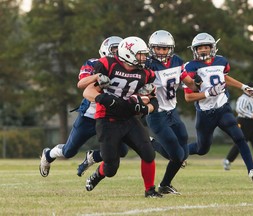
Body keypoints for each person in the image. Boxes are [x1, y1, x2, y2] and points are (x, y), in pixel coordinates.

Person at [82, 36, 162, 198]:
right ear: (128, 53)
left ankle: (150, 190)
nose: (144, 58)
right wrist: (104, 99)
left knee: (148, 153)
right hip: (107, 120)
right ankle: (98, 174)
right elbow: (88, 91)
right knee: (111, 168)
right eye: (140, 54)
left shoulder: (145, 73)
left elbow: (154, 100)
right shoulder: (108, 65)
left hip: (129, 118)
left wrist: (146, 108)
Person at [39, 36, 128, 177]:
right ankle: (48, 154)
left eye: (120, 50)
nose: (118, 53)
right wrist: (96, 76)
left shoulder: (127, 68)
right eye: (115, 50)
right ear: (106, 51)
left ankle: (93, 157)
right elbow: (81, 84)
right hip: (89, 116)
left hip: (109, 117)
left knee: (121, 150)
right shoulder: (94, 63)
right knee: (69, 151)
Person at [184, 32, 253, 184]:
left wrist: (243, 87)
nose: (203, 50)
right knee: (202, 149)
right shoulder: (190, 67)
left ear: (213, 48)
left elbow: (224, 78)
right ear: (194, 50)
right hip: (205, 113)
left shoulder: (221, 61)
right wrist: (208, 93)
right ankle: (179, 154)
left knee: (239, 137)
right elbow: (188, 97)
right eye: (200, 48)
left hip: (222, 109)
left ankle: (251, 171)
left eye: (206, 47)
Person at [145, 30, 198, 194]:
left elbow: (188, 81)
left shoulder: (177, 61)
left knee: (184, 150)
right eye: (158, 48)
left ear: (171, 49)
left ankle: (165, 185)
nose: (161, 52)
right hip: (157, 114)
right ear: (152, 48)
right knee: (177, 155)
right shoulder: (148, 65)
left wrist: (199, 84)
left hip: (172, 111)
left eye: (164, 49)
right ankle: (151, 143)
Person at [223, 82, 253, 171]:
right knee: (241, 142)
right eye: (251, 90)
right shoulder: (243, 98)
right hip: (245, 122)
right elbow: (239, 109)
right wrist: (251, 115)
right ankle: (227, 160)